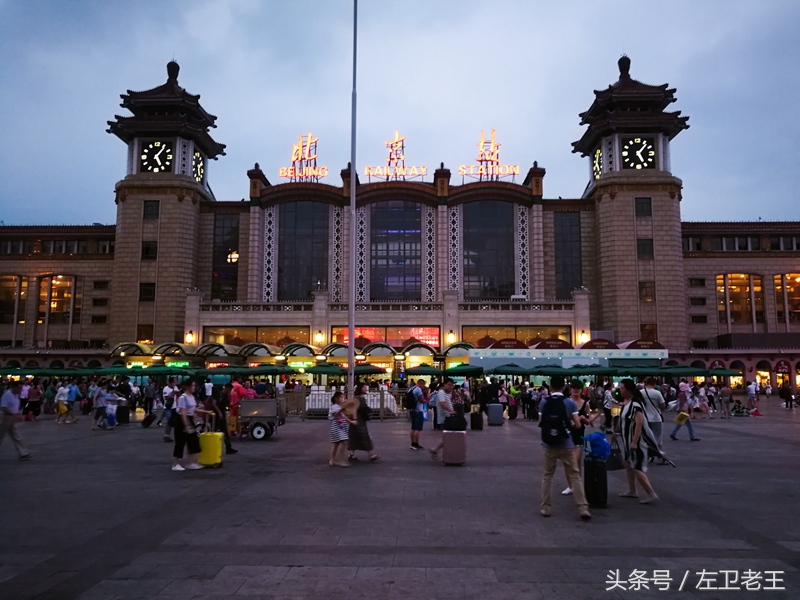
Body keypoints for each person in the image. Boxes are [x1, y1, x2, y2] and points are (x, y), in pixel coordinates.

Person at [538, 375, 591, 521]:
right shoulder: (569, 403)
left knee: (547, 476)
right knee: (575, 475)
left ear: (550, 387)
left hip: (548, 444)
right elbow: (578, 425)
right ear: (564, 387)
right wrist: (572, 424)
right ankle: (582, 508)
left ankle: (545, 507)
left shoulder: (544, 402)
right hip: (567, 443)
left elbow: (541, 422)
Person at [617, 379, 665, 504]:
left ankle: (651, 493)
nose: (620, 390)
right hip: (627, 440)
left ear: (628, 389)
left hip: (636, 441)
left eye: (622, 388)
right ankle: (632, 490)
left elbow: (639, 423)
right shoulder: (628, 402)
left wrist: (634, 441)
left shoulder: (635, 404)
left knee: (636, 467)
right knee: (628, 464)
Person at [561, 379, 595, 496]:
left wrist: (585, 420)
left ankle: (577, 485)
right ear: (570, 390)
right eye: (574, 389)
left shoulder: (585, 404)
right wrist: (571, 421)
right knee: (567, 463)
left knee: (576, 462)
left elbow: (589, 420)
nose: (576, 391)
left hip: (580, 436)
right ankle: (571, 486)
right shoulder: (565, 402)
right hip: (567, 435)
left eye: (578, 389)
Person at [171, 380, 212, 471]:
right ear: (187, 387)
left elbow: (193, 409)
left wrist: (206, 411)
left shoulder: (192, 397)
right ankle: (175, 464)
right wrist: (186, 425)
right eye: (192, 386)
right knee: (180, 443)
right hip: (181, 421)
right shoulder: (183, 397)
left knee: (193, 441)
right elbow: (183, 413)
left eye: (194, 386)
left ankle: (192, 462)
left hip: (189, 419)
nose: (194, 387)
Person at [348, 382, 380, 462]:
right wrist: (355, 419)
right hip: (358, 420)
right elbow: (354, 410)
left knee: (354, 437)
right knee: (364, 436)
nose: (366, 389)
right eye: (364, 387)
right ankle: (371, 454)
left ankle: (351, 454)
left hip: (359, 420)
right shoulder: (357, 399)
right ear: (360, 388)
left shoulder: (360, 398)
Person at [1, 381, 32, 460]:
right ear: (13, 387)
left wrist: (18, 414)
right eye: (19, 388)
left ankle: (23, 452)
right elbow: (4, 407)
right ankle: (23, 452)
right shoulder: (7, 395)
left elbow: (15, 406)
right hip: (6, 417)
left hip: (12, 417)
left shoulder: (16, 395)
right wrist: (14, 415)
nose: (20, 390)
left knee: (16, 436)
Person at [428, 379, 456, 460]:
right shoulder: (441, 393)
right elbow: (442, 403)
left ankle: (435, 450)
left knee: (448, 436)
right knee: (449, 437)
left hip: (448, 417)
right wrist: (451, 411)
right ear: (444, 385)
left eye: (452, 385)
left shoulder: (447, 393)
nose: (451, 387)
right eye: (449, 385)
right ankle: (445, 454)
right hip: (445, 418)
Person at [328, 391, 356, 467]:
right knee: (342, 443)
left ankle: (333, 460)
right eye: (341, 397)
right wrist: (342, 409)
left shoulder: (340, 407)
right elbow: (336, 414)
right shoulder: (334, 407)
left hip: (341, 427)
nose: (343, 399)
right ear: (336, 398)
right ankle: (339, 459)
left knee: (336, 444)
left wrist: (351, 421)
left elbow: (344, 417)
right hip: (336, 427)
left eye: (343, 397)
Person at [641, 377, 666, 458]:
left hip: (643, 417)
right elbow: (662, 405)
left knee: (646, 437)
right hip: (656, 418)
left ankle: (647, 455)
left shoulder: (640, 392)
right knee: (657, 438)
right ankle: (659, 457)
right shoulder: (657, 393)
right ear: (654, 384)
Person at [409, 379, 426, 450]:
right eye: (423, 385)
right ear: (421, 384)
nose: (423, 386)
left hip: (412, 410)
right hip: (419, 411)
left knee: (413, 428)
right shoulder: (418, 390)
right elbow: (422, 400)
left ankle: (412, 444)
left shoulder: (411, 389)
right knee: (418, 429)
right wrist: (426, 401)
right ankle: (416, 444)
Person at [160, 377, 179, 442]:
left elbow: (179, 395)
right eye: (175, 382)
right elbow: (166, 398)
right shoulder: (166, 389)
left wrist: (177, 392)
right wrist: (173, 393)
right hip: (168, 408)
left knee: (172, 422)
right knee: (170, 421)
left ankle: (167, 435)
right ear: (171, 382)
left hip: (174, 407)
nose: (176, 383)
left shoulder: (176, 387)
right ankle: (166, 435)